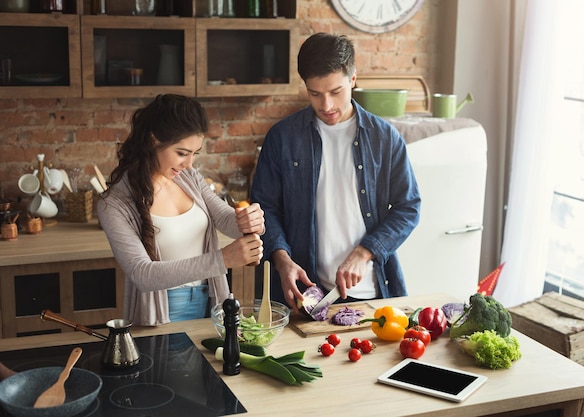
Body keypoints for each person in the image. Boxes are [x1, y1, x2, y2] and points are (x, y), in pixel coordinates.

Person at [250, 33, 421, 310]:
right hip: (304, 294)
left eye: (335, 92)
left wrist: (366, 251)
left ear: (353, 79)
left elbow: (408, 207)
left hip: (371, 294)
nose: (326, 105)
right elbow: (265, 207)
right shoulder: (282, 138)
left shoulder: (385, 138)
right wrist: (282, 261)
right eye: (315, 94)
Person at [98, 94, 264, 326]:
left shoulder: (189, 178)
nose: (189, 164)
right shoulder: (114, 203)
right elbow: (143, 275)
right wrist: (223, 259)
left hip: (211, 300)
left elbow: (225, 218)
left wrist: (249, 221)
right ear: (153, 140)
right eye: (182, 153)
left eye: (194, 154)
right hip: (163, 310)